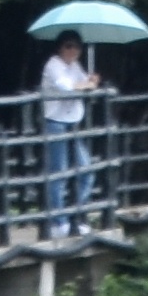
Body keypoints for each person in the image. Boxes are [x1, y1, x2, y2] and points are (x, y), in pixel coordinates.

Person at [37, 32, 104, 228]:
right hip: (55, 121)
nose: (73, 50)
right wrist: (86, 84)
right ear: (60, 47)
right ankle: (59, 222)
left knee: (86, 171)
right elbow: (66, 87)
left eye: (77, 47)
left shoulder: (75, 66)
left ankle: (76, 216)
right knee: (59, 173)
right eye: (68, 46)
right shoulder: (53, 65)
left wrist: (92, 81)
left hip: (73, 121)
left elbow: (84, 84)